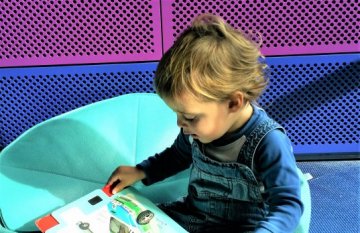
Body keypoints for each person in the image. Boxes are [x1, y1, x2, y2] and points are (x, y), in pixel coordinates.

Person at [107, 13, 303, 233]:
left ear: (233, 103)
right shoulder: (195, 132)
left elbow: (288, 204)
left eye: (190, 117)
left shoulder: (268, 142)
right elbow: (176, 156)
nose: (181, 123)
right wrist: (141, 171)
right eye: (178, 114)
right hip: (192, 216)